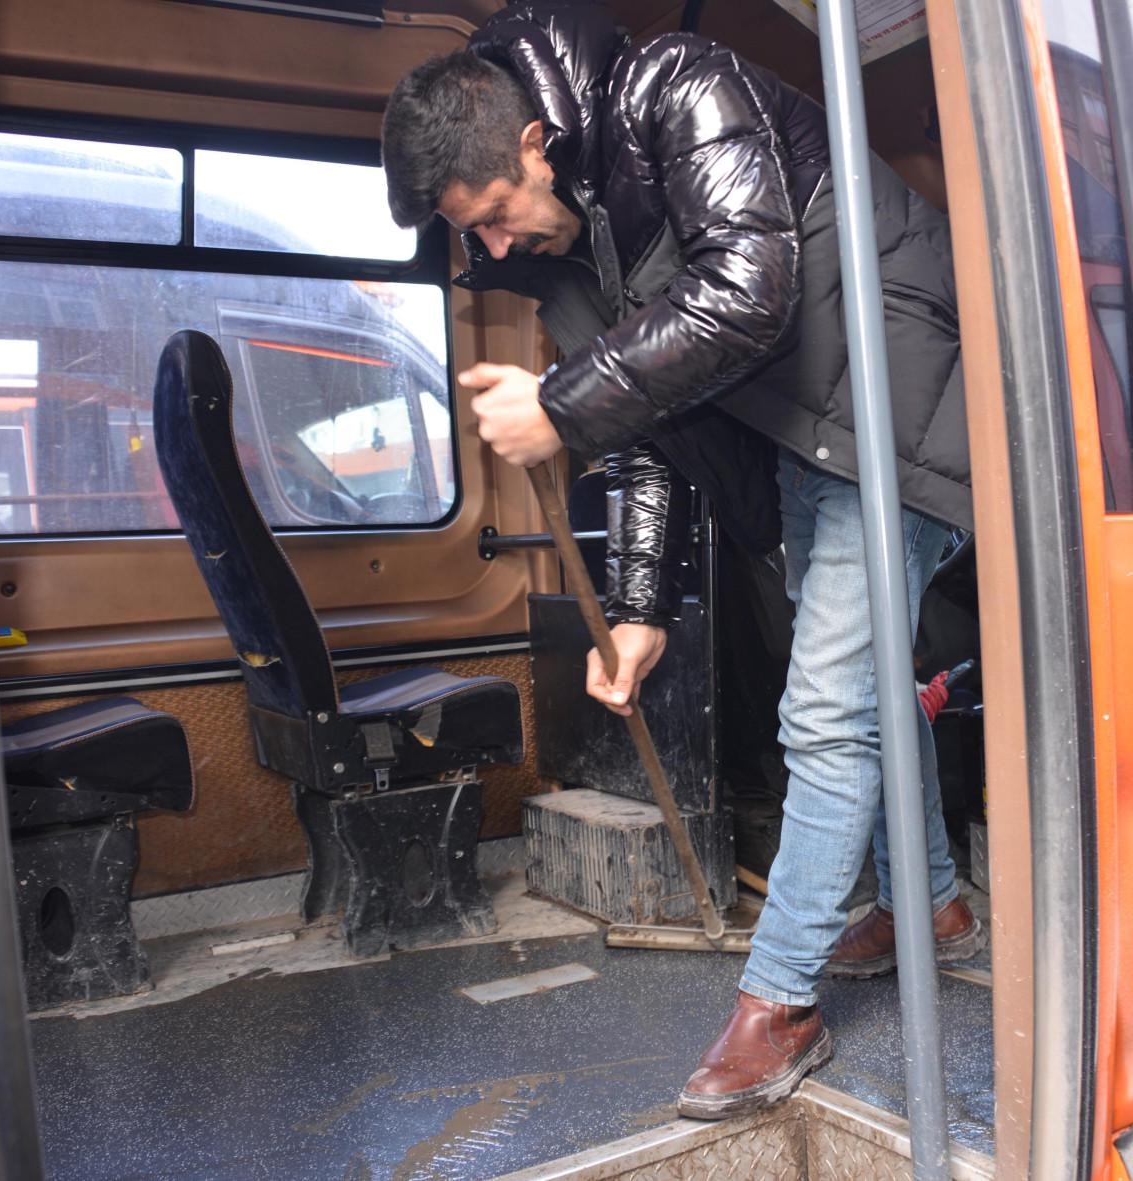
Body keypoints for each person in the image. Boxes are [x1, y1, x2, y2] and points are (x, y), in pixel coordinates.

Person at [382, 0, 982, 1118]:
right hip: (803, 439)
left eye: (497, 216)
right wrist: (639, 608)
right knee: (855, 697)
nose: (495, 247)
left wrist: (560, 402)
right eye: (476, 234)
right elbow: (642, 422)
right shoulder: (559, 249)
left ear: (534, 143)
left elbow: (748, 287)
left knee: (825, 712)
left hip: (896, 403)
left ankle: (781, 1000)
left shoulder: (678, 87)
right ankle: (933, 904)